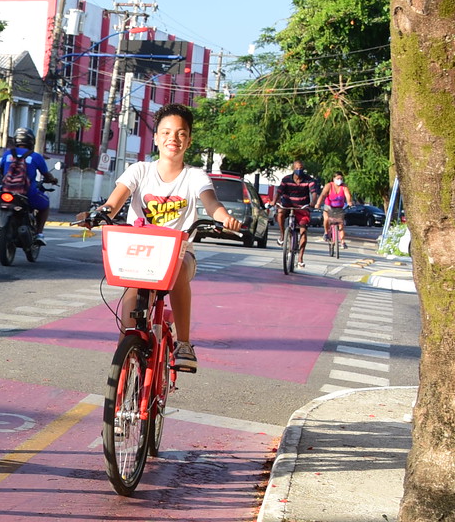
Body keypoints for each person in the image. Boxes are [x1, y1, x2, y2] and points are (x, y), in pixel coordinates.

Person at [93, 103, 241, 372]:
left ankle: (183, 343)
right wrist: (98, 214)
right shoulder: (139, 171)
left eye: (181, 133)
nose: (173, 138)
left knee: (179, 268)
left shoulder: (194, 176)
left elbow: (211, 203)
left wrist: (224, 218)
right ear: (156, 138)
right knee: (127, 327)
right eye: (167, 132)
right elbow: (113, 204)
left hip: (179, 255)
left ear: (189, 141)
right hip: (140, 256)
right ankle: (126, 372)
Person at [0, 128, 54, 235]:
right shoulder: (36, 156)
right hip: (28, 194)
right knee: (45, 205)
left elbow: (1, 171)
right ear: (31, 141)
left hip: (6, 192)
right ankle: (39, 233)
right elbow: (47, 175)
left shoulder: (7, 154)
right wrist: (52, 180)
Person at [273, 161, 320, 252]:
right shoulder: (286, 179)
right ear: (293, 169)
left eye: (301, 168)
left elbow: (313, 193)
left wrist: (313, 202)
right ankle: (282, 235)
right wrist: (274, 201)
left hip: (302, 207)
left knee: (303, 230)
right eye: (297, 168)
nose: (299, 170)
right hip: (287, 204)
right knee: (280, 212)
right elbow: (279, 191)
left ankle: (300, 255)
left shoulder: (309, 179)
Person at [320, 171, 353, 249]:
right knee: (326, 219)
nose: (339, 180)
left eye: (341, 179)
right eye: (338, 178)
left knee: (341, 225)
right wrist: (318, 204)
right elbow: (323, 195)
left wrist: (349, 202)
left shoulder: (344, 186)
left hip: (339, 208)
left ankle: (343, 242)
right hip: (328, 207)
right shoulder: (329, 186)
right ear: (333, 178)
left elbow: (347, 195)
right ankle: (326, 233)